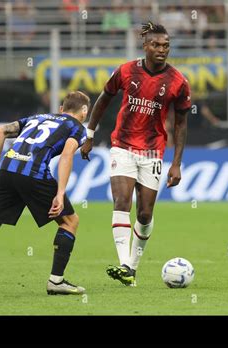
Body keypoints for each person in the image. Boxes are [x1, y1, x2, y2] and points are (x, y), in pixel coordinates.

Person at [80, 22, 191, 287]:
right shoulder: (126, 71)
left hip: (154, 151)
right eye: (156, 44)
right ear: (145, 46)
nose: (162, 50)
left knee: (144, 214)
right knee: (121, 202)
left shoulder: (178, 81)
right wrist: (90, 134)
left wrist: (176, 164)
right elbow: (103, 99)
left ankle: (133, 266)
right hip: (123, 145)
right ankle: (125, 266)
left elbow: (181, 123)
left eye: (166, 45)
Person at [0, 91, 90, 296]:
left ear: (61, 109)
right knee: (70, 221)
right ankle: (56, 281)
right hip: (34, 174)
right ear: (84, 111)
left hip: (7, 169)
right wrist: (61, 192)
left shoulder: (37, 117)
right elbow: (66, 156)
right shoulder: (78, 128)